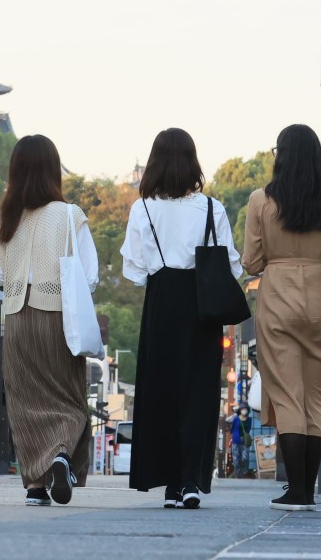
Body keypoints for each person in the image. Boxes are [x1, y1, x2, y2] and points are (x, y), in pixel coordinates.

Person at [241, 123, 321, 510]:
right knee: (315, 396)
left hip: (277, 298)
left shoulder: (261, 200)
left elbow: (251, 261)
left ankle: (294, 488)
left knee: (287, 394)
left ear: (280, 155)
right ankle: (308, 490)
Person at [121, 128, 242, 509]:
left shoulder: (142, 209)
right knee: (199, 393)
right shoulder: (212, 208)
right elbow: (232, 266)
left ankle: (170, 484)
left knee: (162, 391)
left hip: (160, 302)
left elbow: (135, 269)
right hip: (201, 305)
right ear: (193, 162)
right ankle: (192, 480)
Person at [0, 134, 99, 507]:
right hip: (59, 317)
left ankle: (35, 484)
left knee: (23, 400)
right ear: (54, 170)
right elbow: (90, 274)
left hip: (17, 318)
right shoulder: (70, 215)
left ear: (15, 171)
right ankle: (61, 456)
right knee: (68, 396)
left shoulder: (4, 219)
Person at [227, 404, 252, 478]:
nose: (244, 410)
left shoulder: (249, 419)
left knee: (245, 457)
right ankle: (238, 473)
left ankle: (245, 471)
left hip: (245, 440)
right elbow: (231, 428)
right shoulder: (236, 418)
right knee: (236, 458)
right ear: (240, 410)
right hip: (236, 440)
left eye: (246, 409)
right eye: (243, 409)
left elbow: (248, 429)